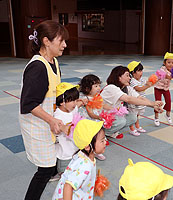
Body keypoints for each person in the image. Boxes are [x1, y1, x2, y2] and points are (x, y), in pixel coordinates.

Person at [19, 20, 69, 200]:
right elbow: (28, 103)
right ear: (46, 41)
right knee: (45, 170)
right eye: (61, 40)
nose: (65, 45)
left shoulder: (53, 61)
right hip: (37, 124)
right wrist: (52, 120)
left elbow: (55, 91)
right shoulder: (37, 67)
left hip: (48, 120)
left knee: (51, 164)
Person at [101, 66, 163, 139]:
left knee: (133, 117)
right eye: (127, 75)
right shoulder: (111, 88)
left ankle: (110, 131)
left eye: (129, 76)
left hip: (113, 114)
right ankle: (102, 133)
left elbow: (140, 98)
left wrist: (153, 105)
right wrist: (152, 104)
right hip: (101, 116)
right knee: (121, 121)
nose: (129, 78)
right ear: (119, 77)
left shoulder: (126, 88)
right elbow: (128, 99)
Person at [52, 119, 106, 200]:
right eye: (102, 140)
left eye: (104, 139)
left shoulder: (83, 155)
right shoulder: (85, 165)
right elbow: (68, 186)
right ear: (88, 147)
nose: (105, 142)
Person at [53, 82, 87, 179]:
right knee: (68, 177)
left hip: (76, 150)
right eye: (72, 100)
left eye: (76, 100)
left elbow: (78, 105)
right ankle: (57, 173)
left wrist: (84, 101)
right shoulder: (57, 116)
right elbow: (56, 130)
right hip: (65, 155)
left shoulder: (72, 109)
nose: (75, 103)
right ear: (62, 102)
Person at [78, 74, 112, 160]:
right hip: (90, 122)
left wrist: (112, 109)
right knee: (90, 138)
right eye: (95, 86)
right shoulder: (86, 99)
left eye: (99, 85)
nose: (98, 88)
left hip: (97, 121)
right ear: (87, 88)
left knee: (98, 137)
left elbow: (102, 105)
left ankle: (96, 150)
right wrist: (99, 117)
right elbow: (90, 113)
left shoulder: (97, 96)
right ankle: (89, 152)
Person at [127, 61, 154, 135]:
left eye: (141, 70)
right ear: (133, 72)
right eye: (139, 71)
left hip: (141, 101)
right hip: (134, 101)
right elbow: (139, 89)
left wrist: (151, 82)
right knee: (133, 115)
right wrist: (148, 86)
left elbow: (146, 82)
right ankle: (132, 129)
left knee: (138, 115)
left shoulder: (141, 79)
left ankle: (137, 126)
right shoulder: (132, 81)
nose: (141, 72)